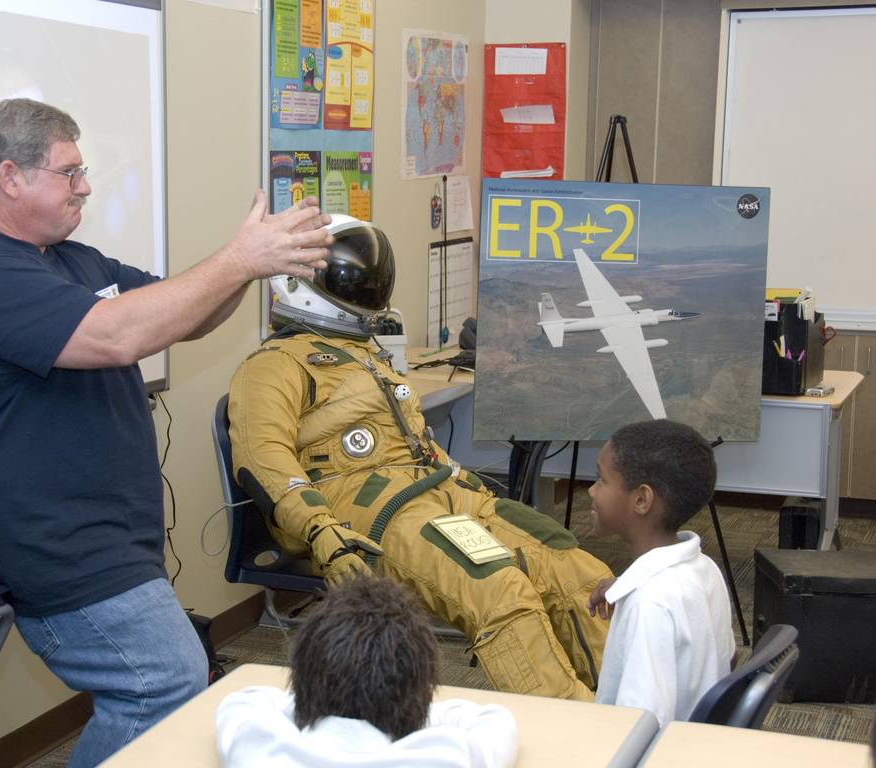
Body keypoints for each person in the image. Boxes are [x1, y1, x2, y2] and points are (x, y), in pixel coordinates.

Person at [0, 98, 332, 767]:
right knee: (160, 684)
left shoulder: (68, 260)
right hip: (48, 543)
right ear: (11, 176)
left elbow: (181, 317)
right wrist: (240, 258)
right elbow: (119, 335)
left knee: (162, 684)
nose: (84, 185)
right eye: (68, 172)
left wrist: (248, 266)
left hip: (102, 535)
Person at [227, 215, 612, 702]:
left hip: (435, 491)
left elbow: (411, 438)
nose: (361, 286)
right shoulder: (274, 365)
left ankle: (624, 711)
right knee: (497, 590)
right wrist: (320, 529)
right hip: (360, 507)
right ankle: (573, 739)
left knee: (574, 568)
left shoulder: (365, 352)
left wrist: (458, 481)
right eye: (349, 276)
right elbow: (263, 460)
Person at [216, 574, 519, 768]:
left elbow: (243, 701)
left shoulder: (259, 750)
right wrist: (414, 711)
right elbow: (497, 721)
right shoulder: (446, 756)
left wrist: (312, 702)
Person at [586, 419, 735, 727]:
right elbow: (729, 658)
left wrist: (637, 599)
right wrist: (625, 587)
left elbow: (638, 726)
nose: (591, 490)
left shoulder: (649, 606)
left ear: (642, 499)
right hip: (693, 743)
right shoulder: (704, 569)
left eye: (601, 480)